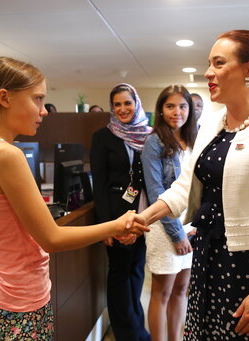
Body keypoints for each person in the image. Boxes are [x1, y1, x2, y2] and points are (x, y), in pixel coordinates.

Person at [129, 30, 249, 340]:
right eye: (208, 63)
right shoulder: (213, 124)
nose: (208, 72)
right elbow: (184, 187)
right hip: (209, 254)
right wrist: (142, 218)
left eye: (218, 63)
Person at [0, 57, 148, 340]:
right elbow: (51, 238)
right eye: (37, 99)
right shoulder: (6, 154)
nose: (44, 111)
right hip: (18, 302)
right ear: (4, 97)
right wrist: (117, 226)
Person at [90, 83, 152, 341]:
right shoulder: (102, 136)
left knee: (136, 270)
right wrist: (105, 224)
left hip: (142, 212)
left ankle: (137, 326)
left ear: (136, 103)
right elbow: (100, 184)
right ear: (112, 108)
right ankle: (127, 333)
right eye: (117, 104)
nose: (123, 109)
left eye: (127, 103)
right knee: (119, 272)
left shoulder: (149, 134)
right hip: (115, 214)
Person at [141, 85, 197, 341]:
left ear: (190, 109)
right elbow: (157, 194)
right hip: (165, 227)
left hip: (191, 226)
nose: (177, 112)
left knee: (182, 289)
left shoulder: (197, 139)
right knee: (162, 293)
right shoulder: (154, 142)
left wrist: (196, 226)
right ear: (161, 110)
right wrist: (177, 235)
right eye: (170, 106)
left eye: (182, 106)